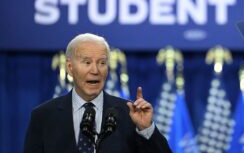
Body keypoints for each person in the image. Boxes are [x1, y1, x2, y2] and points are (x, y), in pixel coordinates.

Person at [24, 33, 172, 153]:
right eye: (87, 62)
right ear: (69, 67)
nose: (95, 70)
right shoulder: (43, 116)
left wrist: (146, 129)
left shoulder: (129, 114)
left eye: (102, 63)